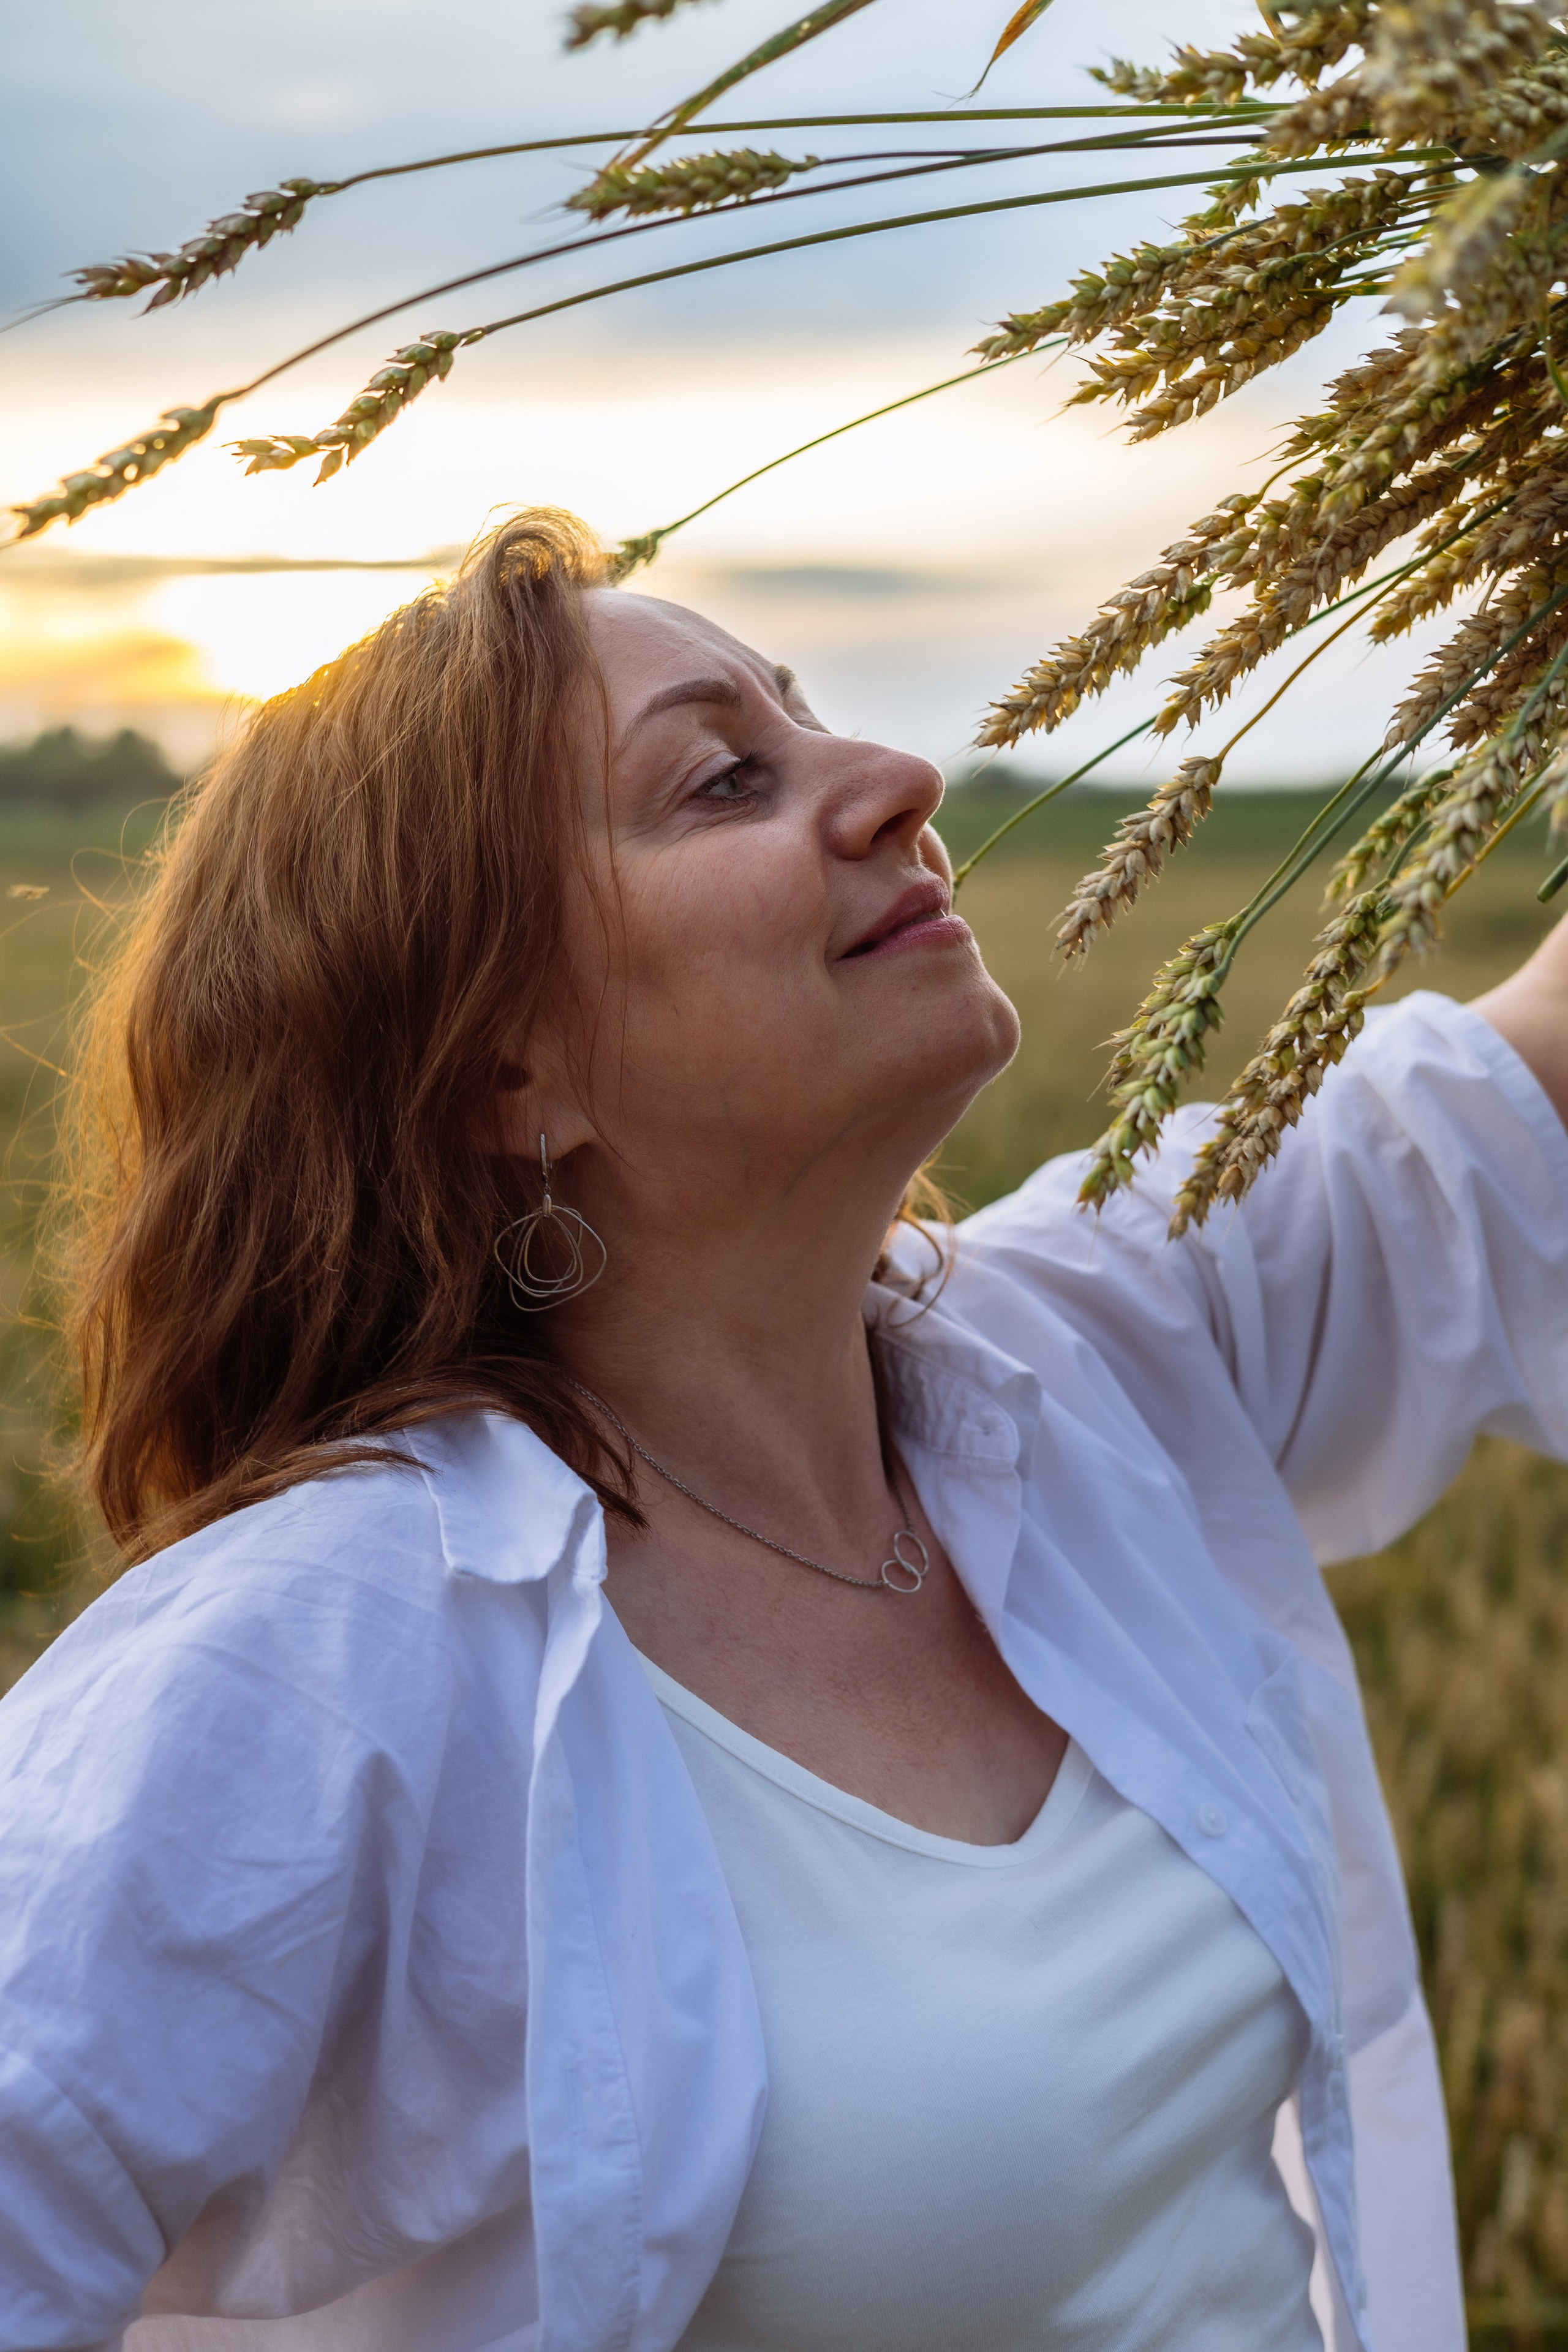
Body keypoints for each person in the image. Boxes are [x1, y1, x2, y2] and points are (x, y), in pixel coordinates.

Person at [2, 508, 1566, 2352]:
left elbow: (1501, 1112)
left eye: (816, 725)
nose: (903, 779)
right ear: (512, 1065)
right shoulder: (314, 1657)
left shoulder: (1094, 1352)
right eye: (726, 780)